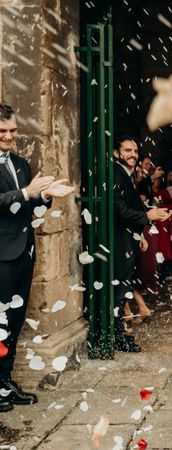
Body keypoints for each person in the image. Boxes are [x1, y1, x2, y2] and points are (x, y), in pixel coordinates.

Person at [0, 102, 74, 412]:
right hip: (0, 258)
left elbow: (33, 212)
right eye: (2, 132)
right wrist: (28, 193)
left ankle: (4, 381)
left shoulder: (20, 165)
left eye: (13, 130)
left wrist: (45, 196)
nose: (9, 136)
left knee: (14, 322)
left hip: (23, 254)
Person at [113, 135, 170, 352]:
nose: (133, 155)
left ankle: (119, 333)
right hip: (116, 240)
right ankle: (116, 335)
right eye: (128, 151)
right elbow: (119, 210)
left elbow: (131, 207)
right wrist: (148, 216)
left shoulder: (126, 175)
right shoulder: (115, 174)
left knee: (124, 285)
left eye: (135, 151)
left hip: (128, 237)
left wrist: (141, 234)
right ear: (117, 153)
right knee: (118, 287)